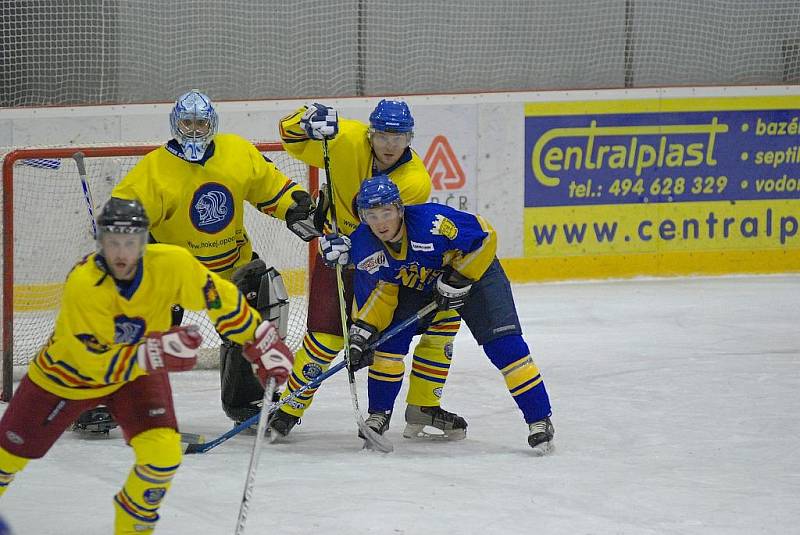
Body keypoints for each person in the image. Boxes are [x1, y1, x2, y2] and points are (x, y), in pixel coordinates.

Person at [0, 198, 294, 533]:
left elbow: (221, 300)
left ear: (144, 241)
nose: (122, 254)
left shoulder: (172, 263)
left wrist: (259, 338)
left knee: (163, 454)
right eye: (113, 243)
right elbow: (88, 360)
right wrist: (152, 352)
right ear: (100, 244)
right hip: (65, 377)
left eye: (130, 242)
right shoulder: (85, 284)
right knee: (6, 457)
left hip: (136, 375)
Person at [74, 89, 320, 432]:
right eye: (187, 123)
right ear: (176, 124)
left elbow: (271, 187)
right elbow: (126, 211)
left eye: (200, 123)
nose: (194, 130)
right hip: (172, 271)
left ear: (212, 124)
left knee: (263, 300)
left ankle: (247, 401)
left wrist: (295, 205)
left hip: (231, 265)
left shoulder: (236, 151)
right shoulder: (155, 169)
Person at [271, 99, 466, 440]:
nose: (390, 145)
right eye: (383, 135)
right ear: (370, 134)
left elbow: (391, 229)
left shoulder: (415, 181)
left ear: (410, 138)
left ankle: (423, 405)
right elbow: (290, 139)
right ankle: (288, 407)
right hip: (336, 257)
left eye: (399, 137)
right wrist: (304, 122)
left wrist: (352, 245)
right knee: (325, 338)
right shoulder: (344, 139)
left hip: (384, 266)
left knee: (439, 323)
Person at [324, 175, 554, 454]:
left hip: (476, 276)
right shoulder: (364, 244)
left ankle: (539, 420)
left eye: (386, 212)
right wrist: (362, 334)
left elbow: (486, 236)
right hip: (421, 284)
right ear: (362, 216)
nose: (380, 222)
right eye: (371, 215)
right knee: (387, 346)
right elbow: (381, 293)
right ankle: (378, 415)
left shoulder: (433, 223)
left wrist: (459, 277)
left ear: (399, 209)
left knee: (505, 347)